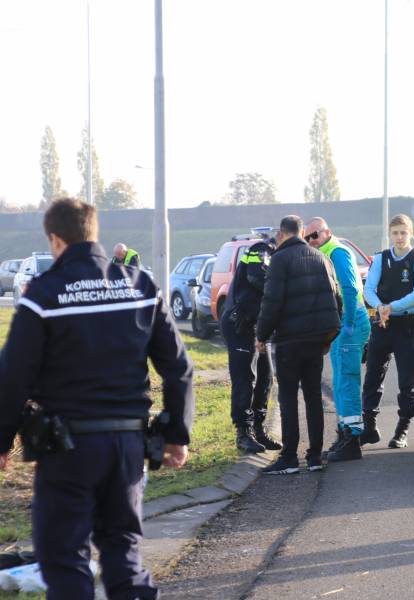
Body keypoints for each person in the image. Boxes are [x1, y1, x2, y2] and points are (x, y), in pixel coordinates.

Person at [0, 197, 194, 599]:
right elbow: (178, 367)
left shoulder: (43, 294)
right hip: (127, 446)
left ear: (55, 240)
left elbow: (12, 378)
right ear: (94, 233)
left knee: (65, 556)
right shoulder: (140, 286)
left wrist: (2, 442)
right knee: (123, 549)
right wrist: (177, 432)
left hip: (67, 448)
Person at [256, 215, 342, 475]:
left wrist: (261, 334)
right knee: (314, 396)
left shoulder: (279, 260)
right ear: (302, 231)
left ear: (281, 233)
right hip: (317, 339)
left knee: (289, 397)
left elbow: (271, 301)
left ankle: (290, 457)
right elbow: (336, 296)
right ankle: (315, 456)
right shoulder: (321, 257)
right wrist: (328, 335)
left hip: (289, 341)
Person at [361, 214, 414, 449]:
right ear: (389, 235)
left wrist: (391, 307)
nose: (399, 237)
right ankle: (369, 427)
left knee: (407, 380)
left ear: (410, 233)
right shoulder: (380, 259)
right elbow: (369, 289)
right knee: (372, 377)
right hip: (381, 324)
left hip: (407, 326)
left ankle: (402, 430)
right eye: (395, 233)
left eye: (403, 232)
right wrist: (380, 307)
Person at [304, 217, 371, 462]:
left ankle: (353, 439)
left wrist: (349, 323)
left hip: (348, 320)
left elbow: (351, 289)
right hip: (339, 323)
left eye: (315, 235)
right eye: (307, 238)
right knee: (340, 381)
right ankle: (345, 433)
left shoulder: (338, 252)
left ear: (327, 232)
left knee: (347, 381)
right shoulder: (325, 253)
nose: (311, 241)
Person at [221, 227, 282, 454]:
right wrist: (280, 288)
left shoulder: (277, 256)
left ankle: (258, 429)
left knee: (265, 377)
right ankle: (243, 433)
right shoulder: (261, 249)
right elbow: (256, 276)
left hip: (259, 325)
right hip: (241, 324)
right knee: (245, 377)